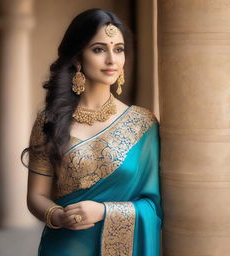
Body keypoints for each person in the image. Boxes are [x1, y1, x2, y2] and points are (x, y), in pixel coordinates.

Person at [21, 8, 163, 256]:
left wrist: (104, 211)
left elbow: (153, 205)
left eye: (118, 49)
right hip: (65, 245)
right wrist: (57, 216)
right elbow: (37, 195)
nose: (112, 60)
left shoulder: (143, 124)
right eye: (99, 49)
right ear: (78, 58)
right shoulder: (51, 120)